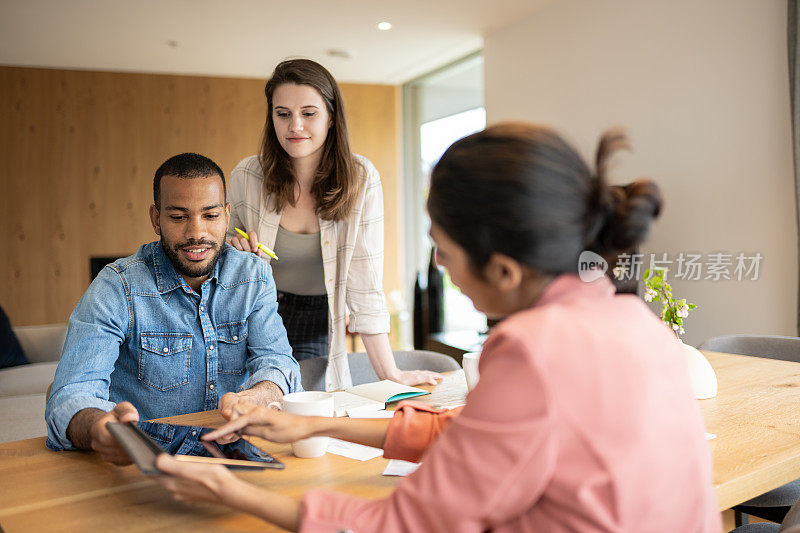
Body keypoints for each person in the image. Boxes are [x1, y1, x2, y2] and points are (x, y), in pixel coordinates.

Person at [154, 124, 721, 532]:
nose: (441, 266)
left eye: (443, 251)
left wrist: (235, 494)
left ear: (502, 268)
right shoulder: (629, 316)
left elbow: (406, 521)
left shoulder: (531, 349)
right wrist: (311, 427)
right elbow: (477, 440)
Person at [45, 153, 302, 464]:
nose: (196, 233)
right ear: (156, 219)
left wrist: (250, 399)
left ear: (227, 215)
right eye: (179, 217)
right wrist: (101, 427)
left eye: (210, 215)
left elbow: (280, 366)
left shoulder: (253, 276)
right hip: (140, 468)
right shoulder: (117, 288)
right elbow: (70, 396)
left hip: (232, 460)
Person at [227, 58, 440, 390]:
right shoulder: (247, 175)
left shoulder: (360, 179)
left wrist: (391, 373)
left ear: (331, 117)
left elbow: (365, 283)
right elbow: (226, 258)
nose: (295, 126)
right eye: (282, 114)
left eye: (308, 113)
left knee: (306, 401)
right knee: (249, 398)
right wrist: (232, 249)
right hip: (259, 311)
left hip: (320, 315)